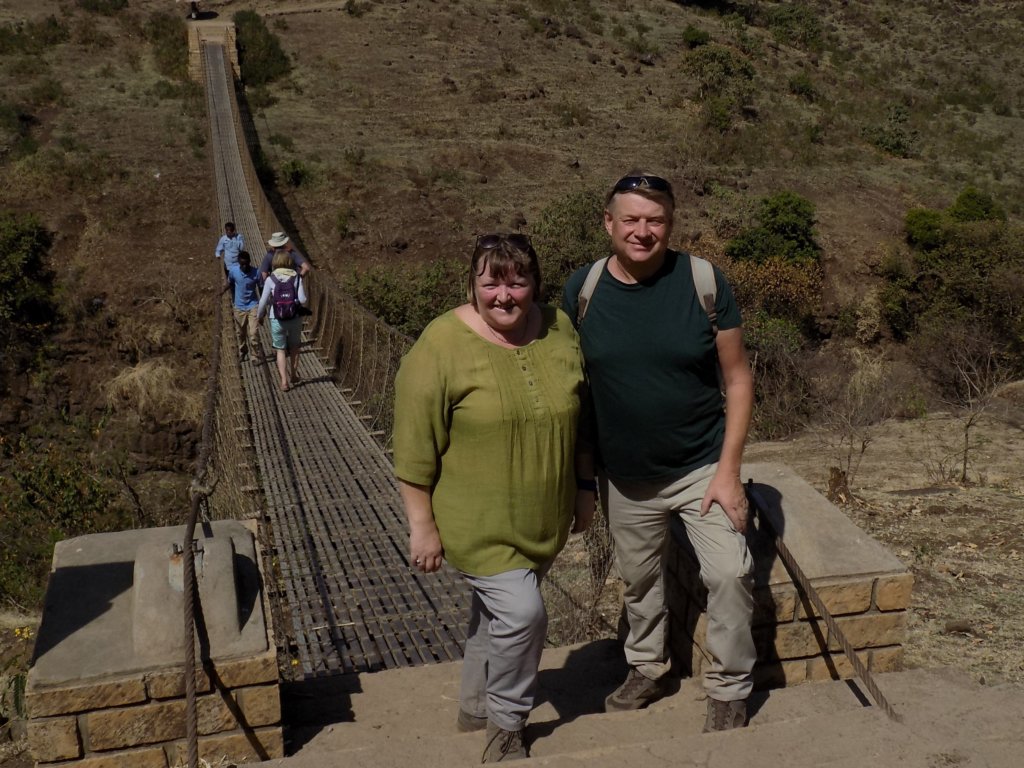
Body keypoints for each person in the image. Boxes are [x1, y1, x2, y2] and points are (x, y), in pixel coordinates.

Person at [561, 172, 756, 732]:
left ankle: (728, 688)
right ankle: (647, 667)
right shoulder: (584, 289)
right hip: (624, 476)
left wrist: (730, 473)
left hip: (702, 467)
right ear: (608, 223)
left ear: (670, 225)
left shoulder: (703, 281)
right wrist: (582, 481)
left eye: (655, 221)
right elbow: (576, 391)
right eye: (631, 219)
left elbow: (738, 380)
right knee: (640, 581)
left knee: (729, 573)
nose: (643, 231)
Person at [393, 234, 593, 762]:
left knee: (496, 618)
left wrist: (584, 489)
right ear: (472, 286)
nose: (504, 295)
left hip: (544, 521)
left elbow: (581, 417)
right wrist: (422, 526)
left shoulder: (559, 329)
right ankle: (506, 725)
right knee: (523, 615)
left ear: (535, 286)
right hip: (476, 524)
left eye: (517, 282)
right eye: (491, 283)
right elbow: (414, 448)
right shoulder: (440, 345)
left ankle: (475, 707)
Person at [257, 249, 308, 391]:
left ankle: (284, 381)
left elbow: (262, 302)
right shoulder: (296, 277)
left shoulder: (270, 279)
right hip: (294, 318)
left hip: (276, 318)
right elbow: (303, 299)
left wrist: (260, 316)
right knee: (294, 347)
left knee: (280, 350)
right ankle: (293, 375)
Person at [223, 250, 261, 364]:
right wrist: (224, 293)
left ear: (250, 262)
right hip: (239, 307)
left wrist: (263, 307)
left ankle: (254, 355)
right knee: (241, 333)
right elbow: (230, 284)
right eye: (242, 264)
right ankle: (243, 350)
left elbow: (261, 288)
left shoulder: (256, 272)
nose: (244, 266)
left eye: (246, 263)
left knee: (253, 333)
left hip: (253, 305)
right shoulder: (234, 271)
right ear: (239, 263)